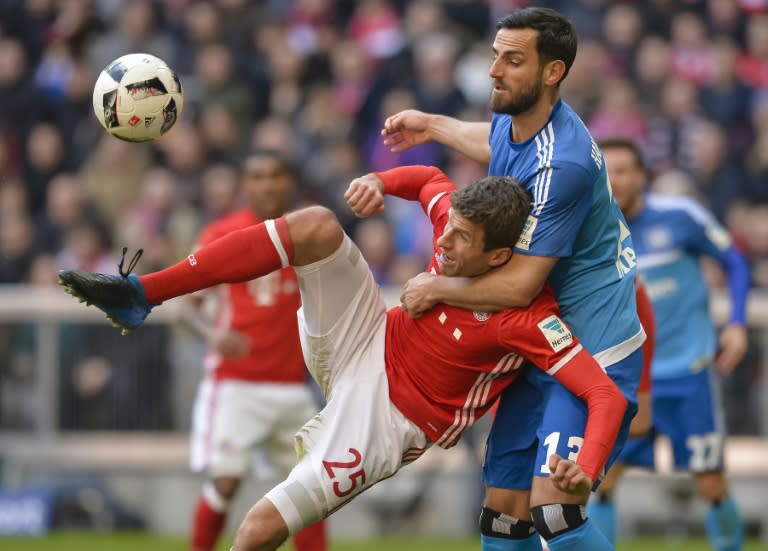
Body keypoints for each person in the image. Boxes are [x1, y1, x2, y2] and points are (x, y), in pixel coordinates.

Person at [59, 165, 629, 551]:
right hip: (367, 337)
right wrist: (378, 180)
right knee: (318, 224)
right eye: (446, 228)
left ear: (501, 254)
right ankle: (143, 294)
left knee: (258, 528)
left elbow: (602, 391)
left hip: (391, 419)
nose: (444, 243)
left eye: (460, 240)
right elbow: (429, 179)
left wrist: (591, 460)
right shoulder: (455, 226)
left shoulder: (529, 316)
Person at [380, 7, 644, 551]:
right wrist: (432, 126)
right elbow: (494, 140)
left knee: (556, 514)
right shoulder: (519, 118)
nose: (494, 70)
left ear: (553, 72)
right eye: (496, 54)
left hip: (590, 342)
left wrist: (437, 287)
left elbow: (519, 285)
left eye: (513, 59)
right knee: (503, 516)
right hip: (535, 340)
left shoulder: (561, 164)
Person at [587, 137, 749, 551]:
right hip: (629, 377)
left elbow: (734, 260)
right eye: (608, 170)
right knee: (606, 477)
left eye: (623, 170)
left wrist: (736, 323)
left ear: (642, 175)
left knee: (711, 482)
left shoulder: (681, 217)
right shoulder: (594, 231)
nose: (615, 179)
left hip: (688, 373)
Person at [179, 151, 327, 551]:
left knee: (311, 491)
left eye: (276, 175)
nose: (267, 184)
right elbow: (185, 310)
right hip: (236, 384)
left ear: (289, 183)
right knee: (226, 481)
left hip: (292, 385)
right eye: (258, 176)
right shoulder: (221, 234)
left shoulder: (310, 234)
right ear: (245, 185)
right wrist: (212, 336)